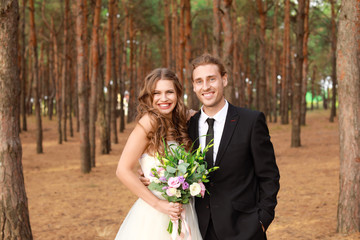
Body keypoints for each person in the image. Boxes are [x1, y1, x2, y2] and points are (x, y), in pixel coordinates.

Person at [187, 54, 280, 240]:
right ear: (194, 86)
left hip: (244, 229)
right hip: (199, 229)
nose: (205, 86)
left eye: (211, 79)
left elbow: (269, 175)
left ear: (224, 79)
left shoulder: (251, 121)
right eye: (199, 81)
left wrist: (262, 221)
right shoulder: (187, 126)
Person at [114, 68, 202, 239]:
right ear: (149, 97)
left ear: (177, 93)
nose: (164, 98)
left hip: (186, 211)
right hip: (156, 214)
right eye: (157, 93)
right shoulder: (149, 122)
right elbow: (122, 170)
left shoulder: (182, 120)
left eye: (169, 92)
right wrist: (160, 204)